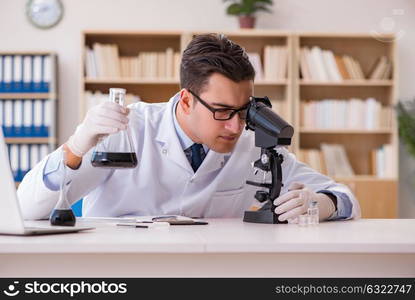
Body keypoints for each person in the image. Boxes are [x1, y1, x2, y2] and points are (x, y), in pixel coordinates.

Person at [18, 34, 361, 222]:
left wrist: (324, 203)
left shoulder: (252, 142)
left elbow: (346, 198)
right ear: (185, 101)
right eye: (223, 111)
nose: (236, 125)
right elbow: (28, 210)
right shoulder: (127, 128)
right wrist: (76, 148)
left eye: (244, 111)